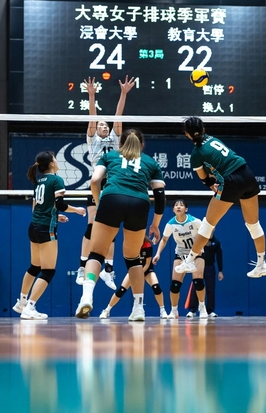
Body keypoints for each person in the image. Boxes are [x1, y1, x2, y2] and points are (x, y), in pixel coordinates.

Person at [75, 128, 165, 321]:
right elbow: (160, 196)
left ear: (120, 143)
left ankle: (86, 297)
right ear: (142, 145)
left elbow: (95, 180)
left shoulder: (110, 156)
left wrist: (99, 203)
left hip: (112, 198)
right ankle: (138, 308)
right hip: (139, 203)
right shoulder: (151, 162)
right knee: (133, 258)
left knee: (96, 253)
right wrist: (155, 224)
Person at [174, 117, 266, 278]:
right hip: (247, 174)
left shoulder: (196, 154)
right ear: (203, 130)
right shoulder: (213, 139)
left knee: (208, 224)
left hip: (231, 181)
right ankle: (261, 264)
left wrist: (211, 184)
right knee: (254, 224)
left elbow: (204, 178)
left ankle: (189, 260)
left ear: (187, 134)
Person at [76, 75, 136, 291]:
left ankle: (108, 269)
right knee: (92, 226)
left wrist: (123, 93)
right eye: (100, 124)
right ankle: (82, 267)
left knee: (111, 228)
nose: (102, 125)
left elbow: (118, 115)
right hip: (98, 184)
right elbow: (92, 116)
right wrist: (91, 95)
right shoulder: (92, 139)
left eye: (105, 124)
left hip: (114, 186)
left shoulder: (115, 138)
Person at [13, 151, 86, 319]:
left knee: (34, 267)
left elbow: (36, 208)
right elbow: (60, 204)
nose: (56, 161)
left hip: (34, 226)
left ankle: (22, 302)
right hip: (46, 228)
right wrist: (76, 210)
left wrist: (55, 216)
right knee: (48, 271)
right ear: (51, 164)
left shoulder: (38, 181)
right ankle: (30, 307)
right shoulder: (56, 180)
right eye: (55, 159)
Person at [153, 199, 208, 319]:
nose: (178, 207)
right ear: (173, 209)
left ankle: (202, 308)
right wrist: (158, 254)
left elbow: (205, 235)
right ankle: (174, 311)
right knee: (175, 284)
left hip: (196, 253)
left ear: (186, 209)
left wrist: (201, 247)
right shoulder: (170, 224)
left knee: (198, 281)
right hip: (181, 254)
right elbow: (164, 240)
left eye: (181, 205)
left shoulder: (195, 221)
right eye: (176, 205)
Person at [99, 237, 169, 319]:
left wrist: (139, 274)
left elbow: (147, 264)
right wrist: (136, 275)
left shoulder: (147, 246)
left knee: (156, 287)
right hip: (134, 272)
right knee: (121, 290)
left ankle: (162, 310)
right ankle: (106, 310)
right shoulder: (132, 246)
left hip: (147, 270)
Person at [188, 231, 224, 317]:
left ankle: (210, 310)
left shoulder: (216, 242)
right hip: (198, 266)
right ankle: (192, 310)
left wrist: (220, 270)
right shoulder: (200, 240)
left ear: (214, 229)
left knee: (210, 289)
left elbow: (219, 256)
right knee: (196, 287)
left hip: (209, 267)